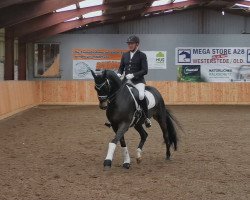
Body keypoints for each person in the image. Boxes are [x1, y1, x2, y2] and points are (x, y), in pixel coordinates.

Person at [117, 35, 151, 128]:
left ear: (137, 44)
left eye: (131, 43)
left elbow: (145, 70)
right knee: (116, 94)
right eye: (129, 44)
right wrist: (119, 74)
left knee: (141, 95)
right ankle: (115, 116)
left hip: (138, 81)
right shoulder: (125, 55)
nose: (130, 45)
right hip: (126, 81)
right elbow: (121, 68)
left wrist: (134, 75)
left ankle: (146, 117)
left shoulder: (142, 55)